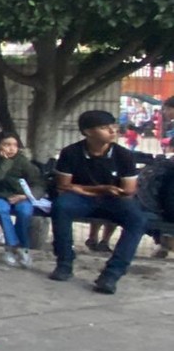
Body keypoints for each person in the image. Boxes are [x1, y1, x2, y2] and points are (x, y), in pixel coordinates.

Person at [48, 109, 147, 294]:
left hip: (113, 200)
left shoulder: (123, 155)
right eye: (104, 127)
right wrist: (101, 189)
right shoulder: (71, 152)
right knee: (61, 207)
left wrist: (88, 189)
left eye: (114, 126)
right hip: (81, 199)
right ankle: (64, 263)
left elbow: (128, 190)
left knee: (138, 220)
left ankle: (111, 274)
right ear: (88, 132)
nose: (112, 131)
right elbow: (64, 187)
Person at [0, 131, 41, 267]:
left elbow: (38, 182)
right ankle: (12, 245)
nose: (12, 149)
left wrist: (26, 195)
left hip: (21, 196)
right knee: (0, 208)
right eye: (7, 145)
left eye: (15, 145)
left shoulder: (22, 161)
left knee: (24, 212)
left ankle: (24, 248)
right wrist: (5, 163)